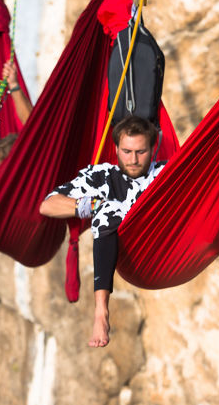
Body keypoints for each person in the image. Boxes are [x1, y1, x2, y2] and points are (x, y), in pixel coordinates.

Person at [39, 115, 163, 348]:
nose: (133, 160)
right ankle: (101, 312)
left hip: (160, 247)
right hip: (122, 251)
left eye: (141, 152)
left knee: (109, 210)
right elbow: (48, 205)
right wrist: (92, 205)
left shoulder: (165, 174)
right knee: (106, 210)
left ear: (153, 149)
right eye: (126, 151)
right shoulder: (102, 176)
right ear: (115, 149)